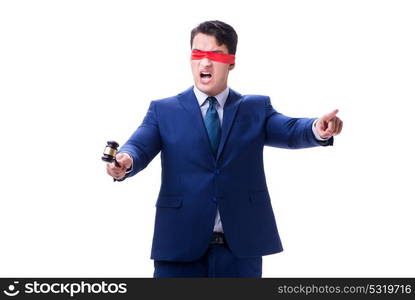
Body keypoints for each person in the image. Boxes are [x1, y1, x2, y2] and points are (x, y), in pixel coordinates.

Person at [106, 20, 343, 278]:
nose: (205, 63)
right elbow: (139, 145)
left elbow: (290, 129)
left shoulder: (254, 108)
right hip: (179, 247)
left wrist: (318, 130)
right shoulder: (163, 110)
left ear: (231, 62)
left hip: (240, 251)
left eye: (215, 56)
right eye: (198, 54)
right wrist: (126, 161)